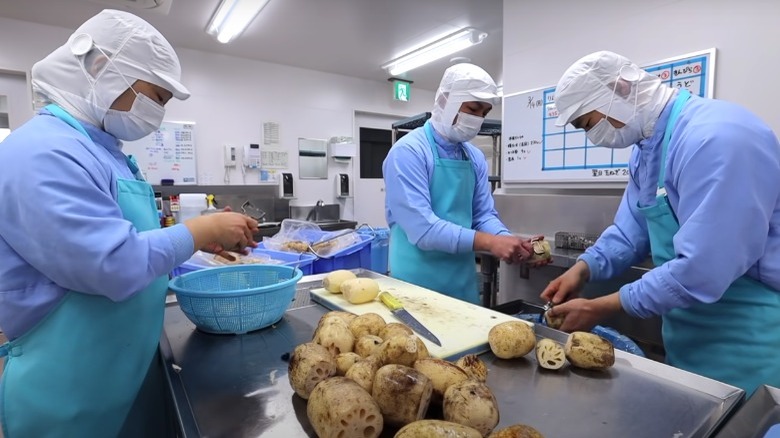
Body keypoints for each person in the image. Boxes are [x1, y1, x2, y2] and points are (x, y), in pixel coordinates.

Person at [0, 10, 258, 437]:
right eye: (154, 96)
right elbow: (112, 264)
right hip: (71, 392)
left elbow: (136, 244)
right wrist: (200, 231)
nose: (156, 113)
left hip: (124, 368)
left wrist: (193, 243)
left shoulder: (106, 152)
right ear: (101, 68)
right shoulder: (43, 152)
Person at [541, 50, 780, 395]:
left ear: (620, 88)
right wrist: (583, 268)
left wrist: (601, 307)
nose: (592, 136)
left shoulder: (718, 139)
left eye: (588, 123)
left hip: (748, 338)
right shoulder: (648, 149)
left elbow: (705, 267)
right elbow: (630, 230)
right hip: (688, 335)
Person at [383, 63, 546, 305]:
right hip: (415, 283)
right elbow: (423, 229)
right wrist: (491, 242)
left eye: (485, 112)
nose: (478, 118)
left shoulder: (474, 157)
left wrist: (508, 240)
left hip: (461, 282)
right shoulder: (408, 152)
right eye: (473, 108)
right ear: (445, 100)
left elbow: (482, 215)